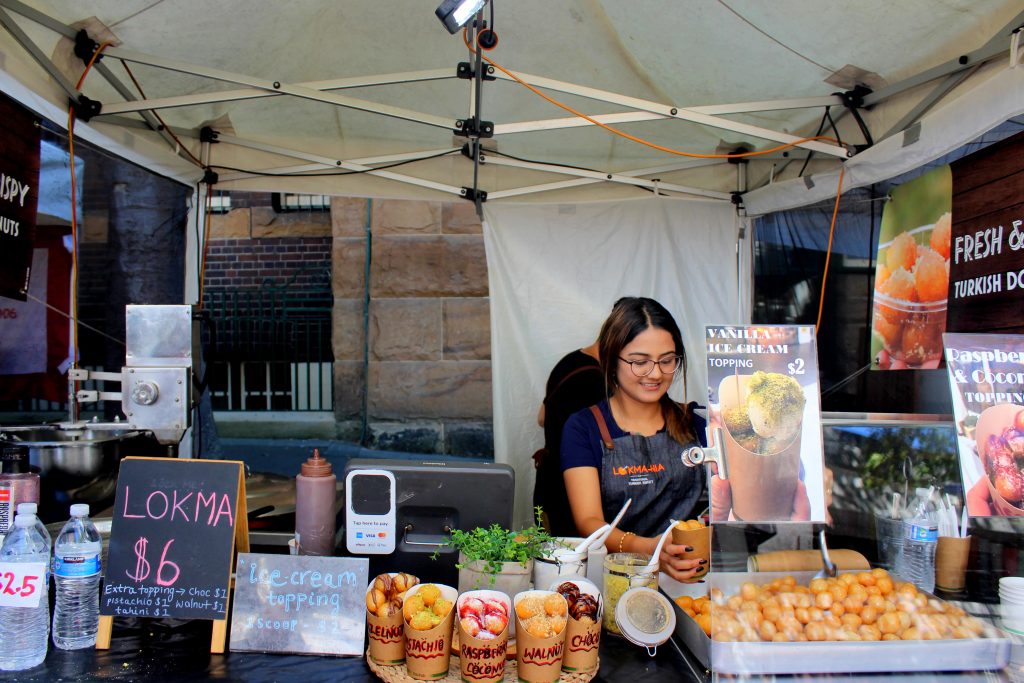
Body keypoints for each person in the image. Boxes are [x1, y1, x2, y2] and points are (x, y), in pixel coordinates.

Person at [561, 297, 706, 582]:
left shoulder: (697, 424)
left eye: (667, 361)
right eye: (640, 362)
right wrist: (651, 549)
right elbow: (588, 521)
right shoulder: (583, 427)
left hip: (689, 583)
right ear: (611, 359)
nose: (655, 373)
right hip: (616, 580)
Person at [533, 341, 604, 537]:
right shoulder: (596, 380)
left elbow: (541, 418)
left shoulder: (569, 361)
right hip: (572, 492)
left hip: (546, 483)